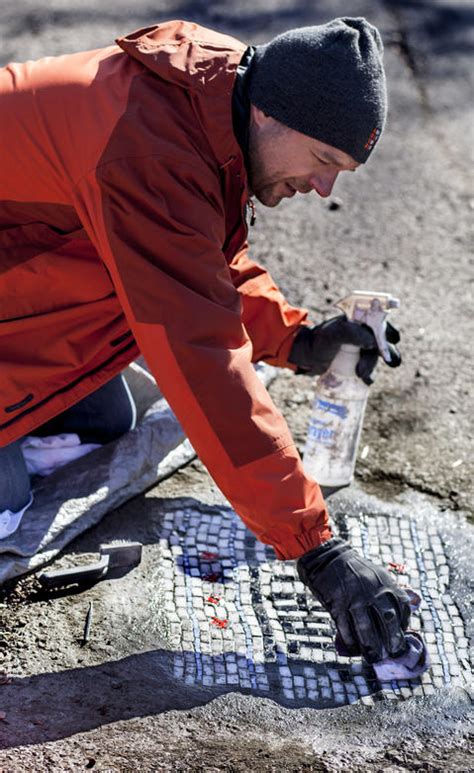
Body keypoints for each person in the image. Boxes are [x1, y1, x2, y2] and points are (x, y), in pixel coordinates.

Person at [0, 17, 409, 663]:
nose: (325, 187)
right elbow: (202, 359)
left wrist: (297, 339)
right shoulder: (149, 150)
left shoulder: (210, 102)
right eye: (325, 160)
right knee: (6, 510)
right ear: (271, 116)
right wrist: (316, 548)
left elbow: (197, 258)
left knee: (113, 416)